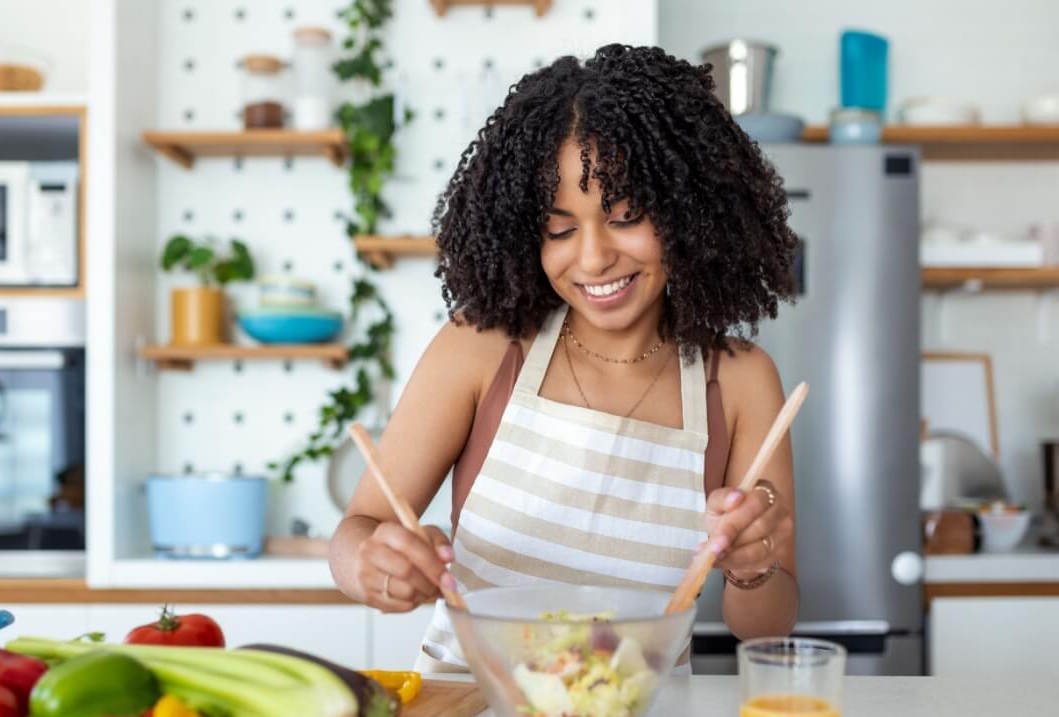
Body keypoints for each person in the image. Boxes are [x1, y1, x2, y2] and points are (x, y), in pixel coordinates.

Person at [329, 44, 799, 672]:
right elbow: (359, 526)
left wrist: (753, 566)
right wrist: (370, 563)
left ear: (691, 212)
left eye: (626, 215)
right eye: (560, 229)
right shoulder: (482, 348)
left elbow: (766, 626)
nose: (594, 257)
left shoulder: (740, 382)